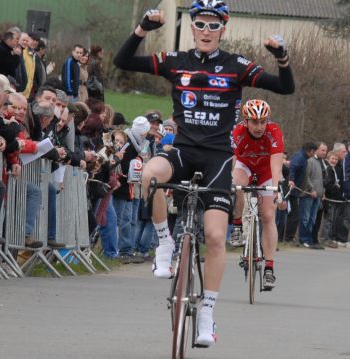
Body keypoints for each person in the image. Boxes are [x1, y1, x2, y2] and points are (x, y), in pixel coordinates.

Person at [115, 0, 294, 347]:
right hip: (182, 150)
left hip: (218, 159)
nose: (207, 31)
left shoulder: (235, 66)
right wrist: (142, 30)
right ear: (192, 26)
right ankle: (165, 243)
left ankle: (208, 315)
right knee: (149, 174)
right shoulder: (175, 61)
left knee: (214, 237)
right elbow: (122, 62)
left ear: (223, 29)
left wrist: (282, 57)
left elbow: (284, 87)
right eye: (201, 24)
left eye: (214, 25)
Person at [230, 99, 284, 289]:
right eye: (254, 122)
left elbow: (277, 167)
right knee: (236, 184)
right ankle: (237, 225)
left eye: (263, 121)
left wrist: (279, 190)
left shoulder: (274, 131)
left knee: (268, 215)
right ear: (246, 121)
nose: (259, 126)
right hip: (244, 167)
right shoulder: (237, 132)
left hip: (265, 172)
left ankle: (269, 267)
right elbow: (232, 160)